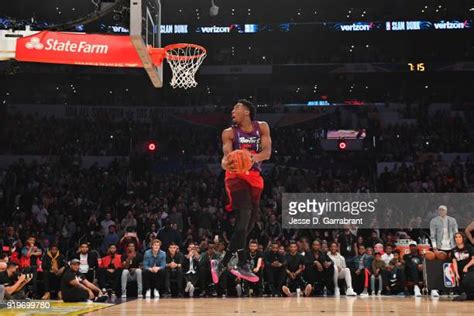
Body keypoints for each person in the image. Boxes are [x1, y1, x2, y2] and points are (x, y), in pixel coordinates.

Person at [212, 99, 272, 283]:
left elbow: (267, 153)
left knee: (250, 223)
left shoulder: (261, 127)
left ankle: (223, 262)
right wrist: (225, 162)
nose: (232, 111)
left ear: (247, 111)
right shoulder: (229, 132)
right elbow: (225, 156)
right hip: (235, 177)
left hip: (254, 177)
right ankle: (242, 263)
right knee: (244, 214)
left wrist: (250, 157)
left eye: (236, 108)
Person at [451, 232, 474, 301]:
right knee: (461, 287)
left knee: (467, 281)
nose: (457, 239)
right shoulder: (453, 250)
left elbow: (473, 260)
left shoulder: (469, 247)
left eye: (459, 237)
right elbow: (454, 263)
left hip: (470, 269)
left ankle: (466, 296)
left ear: (463, 238)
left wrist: (466, 266)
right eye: (456, 237)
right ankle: (466, 296)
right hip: (461, 271)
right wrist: (456, 274)